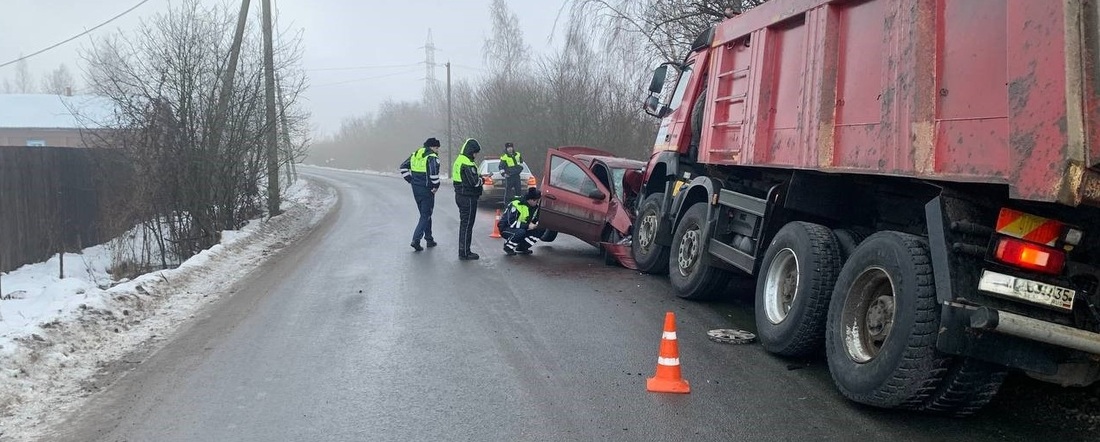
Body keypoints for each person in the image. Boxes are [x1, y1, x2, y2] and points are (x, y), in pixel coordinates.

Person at [399, 137, 442, 251]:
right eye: (437, 148)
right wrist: (436, 186)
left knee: (426, 214)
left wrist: (410, 180)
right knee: (425, 215)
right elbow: (434, 175)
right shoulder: (432, 157)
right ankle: (416, 240)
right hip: (427, 190)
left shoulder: (415, 154)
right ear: (432, 147)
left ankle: (429, 239)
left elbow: (403, 167)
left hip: (416, 189)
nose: (437, 150)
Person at [452, 138, 484, 260]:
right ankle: (465, 251)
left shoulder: (459, 160)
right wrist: (483, 180)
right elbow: (474, 182)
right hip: (468, 197)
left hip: (460, 195)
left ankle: (463, 250)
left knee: (464, 223)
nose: (476, 155)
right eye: (475, 152)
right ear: (471, 151)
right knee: (467, 225)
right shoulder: (467, 163)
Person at [499, 188, 547, 255]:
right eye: (537, 201)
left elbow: (535, 219)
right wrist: (528, 226)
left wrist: (536, 224)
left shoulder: (535, 207)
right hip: (506, 228)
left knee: (540, 229)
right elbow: (511, 223)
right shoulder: (516, 204)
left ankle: (522, 247)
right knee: (521, 232)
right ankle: (508, 247)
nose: (538, 202)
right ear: (531, 200)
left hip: (522, 227)